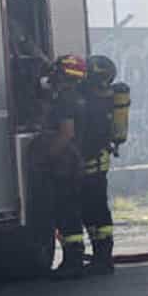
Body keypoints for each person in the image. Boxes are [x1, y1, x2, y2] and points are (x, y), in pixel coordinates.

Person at [78, 54, 127, 275]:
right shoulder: (106, 97)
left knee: (94, 210)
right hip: (98, 163)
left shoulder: (91, 100)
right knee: (95, 210)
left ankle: (103, 257)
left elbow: (90, 136)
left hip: (90, 164)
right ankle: (102, 255)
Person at [44, 54, 90, 279]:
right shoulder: (79, 97)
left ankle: (73, 261)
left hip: (65, 164)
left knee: (66, 212)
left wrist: (47, 157)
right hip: (76, 162)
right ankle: (74, 258)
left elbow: (66, 133)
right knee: (71, 210)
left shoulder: (64, 100)